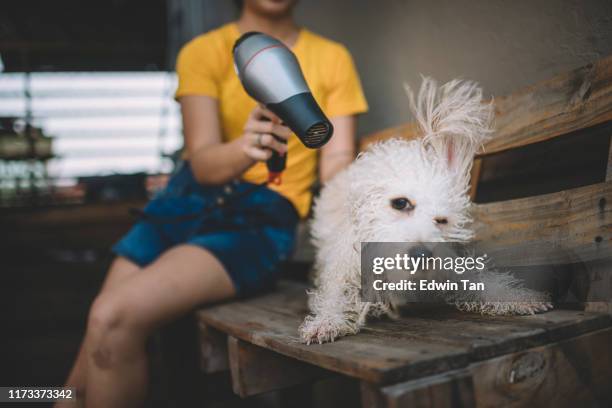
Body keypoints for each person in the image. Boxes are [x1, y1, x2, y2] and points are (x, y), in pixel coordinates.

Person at [57, 0, 367, 406]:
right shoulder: (202, 51)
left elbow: (336, 163)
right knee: (86, 359)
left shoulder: (333, 57)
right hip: (183, 202)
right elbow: (202, 164)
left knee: (113, 317)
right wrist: (246, 148)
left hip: (258, 220)